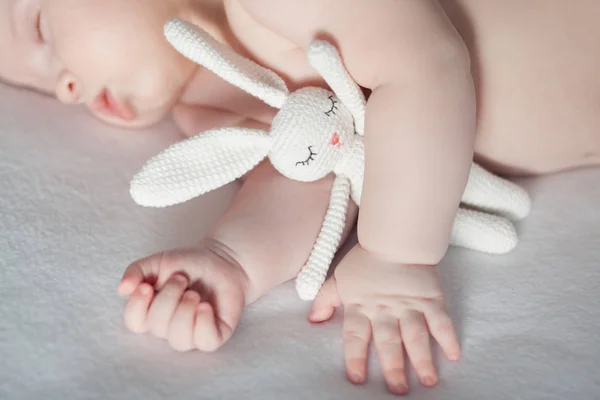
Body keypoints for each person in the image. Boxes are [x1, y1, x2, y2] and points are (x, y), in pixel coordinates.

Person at [2, 0, 599, 395]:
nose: (66, 86)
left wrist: (395, 255)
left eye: (39, 30)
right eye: (42, 85)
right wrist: (230, 262)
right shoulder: (207, 106)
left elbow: (423, 63)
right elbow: (314, 168)